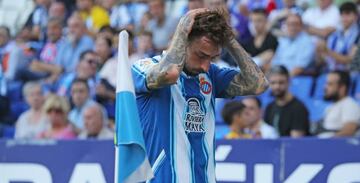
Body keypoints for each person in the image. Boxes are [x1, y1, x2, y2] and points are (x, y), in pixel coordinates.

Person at [132, 8, 268, 182]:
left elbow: (258, 84)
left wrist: (229, 40)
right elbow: (169, 74)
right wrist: (181, 30)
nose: (205, 65)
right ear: (184, 41)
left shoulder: (211, 74)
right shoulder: (143, 67)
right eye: (201, 55)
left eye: (212, 58)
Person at [264, 65, 309, 137]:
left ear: (289, 82)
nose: (277, 86)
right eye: (273, 83)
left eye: (281, 82)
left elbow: (296, 141)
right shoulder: (269, 107)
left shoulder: (298, 108)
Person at [316, 2, 359, 72]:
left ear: (356, 16)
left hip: (350, 74)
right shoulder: (335, 34)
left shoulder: (358, 35)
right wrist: (320, 52)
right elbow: (327, 60)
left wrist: (327, 51)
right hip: (332, 71)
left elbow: (350, 60)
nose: (344, 17)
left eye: (347, 14)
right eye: (342, 14)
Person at [318, 71, 360, 137]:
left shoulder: (350, 105)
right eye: (326, 84)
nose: (325, 87)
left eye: (330, 84)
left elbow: (349, 131)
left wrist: (326, 143)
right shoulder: (331, 106)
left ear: (342, 88)